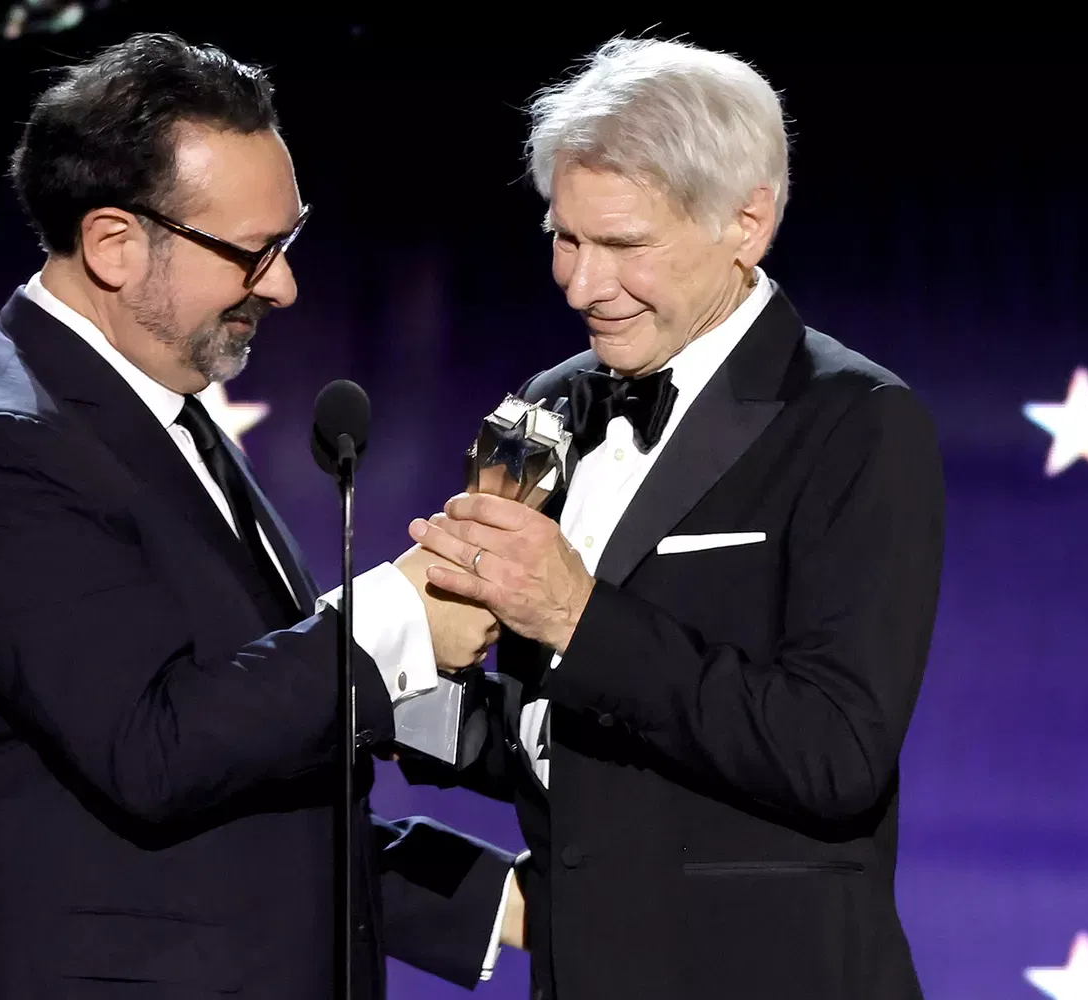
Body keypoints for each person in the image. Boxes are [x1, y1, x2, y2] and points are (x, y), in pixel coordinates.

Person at [0, 33, 522, 1000]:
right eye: (252, 251)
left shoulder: (153, 403)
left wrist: (490, 899)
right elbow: (158, 752)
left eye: (290, 239)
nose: (283, 284)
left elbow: (253, 757)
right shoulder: (10, 454)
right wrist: (397, 613)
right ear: (112, 243)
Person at [405, 37, 945, 999]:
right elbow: (562, 737)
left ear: (748, 222)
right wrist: (394, 686)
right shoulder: (552, 402)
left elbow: (834, 753)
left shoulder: (856, 421)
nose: (581, 284)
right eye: (564, 238)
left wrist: (576, 615)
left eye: (624, 245)